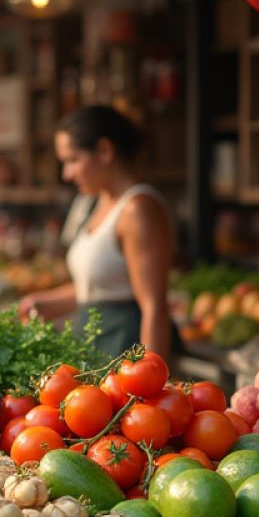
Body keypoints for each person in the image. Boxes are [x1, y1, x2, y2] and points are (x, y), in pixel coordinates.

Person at [18, 105, 174, 357]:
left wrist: (152, 381)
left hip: (125, 347)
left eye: (72, 160)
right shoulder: (96, 202)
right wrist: (46, 303)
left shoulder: (137, 209)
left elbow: (153, 306)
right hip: (92, 343)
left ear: (104, 150)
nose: (66, 174)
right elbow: (100, 289)